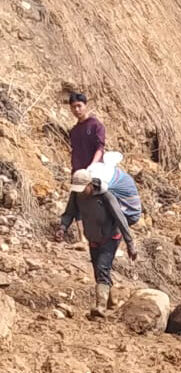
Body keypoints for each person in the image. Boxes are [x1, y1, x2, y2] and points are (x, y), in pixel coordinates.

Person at [56, 170, 137, 317]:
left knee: (102, 268)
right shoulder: (76, 195)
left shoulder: (105, 196)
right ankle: (112, 302)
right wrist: (63, 228)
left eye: (83, 189)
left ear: (90, 184)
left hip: (111, 237)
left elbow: (120, 219)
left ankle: (100, 307)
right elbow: (69, 213)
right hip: (93, 238)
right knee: (98, 272)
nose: (80, 192)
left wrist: (130, 243)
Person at [69, 92, 107, 242]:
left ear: (86, 106)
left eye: (79, 106)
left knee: (100, 202)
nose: (77, 110)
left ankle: (103, 235)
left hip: (94, 170)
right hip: (78, 171)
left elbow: (100, 148)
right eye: (73, 107)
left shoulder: (96, 125)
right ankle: (82, 238)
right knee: (77, 202)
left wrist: (93, 165)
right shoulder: (74, 131)